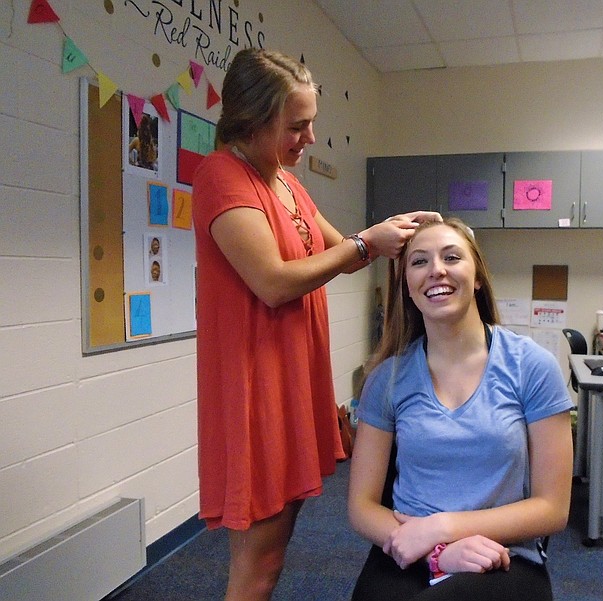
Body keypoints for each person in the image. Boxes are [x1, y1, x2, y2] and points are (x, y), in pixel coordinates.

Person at [191, 48, 440, 601]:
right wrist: (362, 242)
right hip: (257, 389)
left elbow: (347, 252)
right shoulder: (221, 177)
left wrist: (396, 235)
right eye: (296, 126)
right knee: (260, 561)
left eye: (312, 124)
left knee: (273, 552)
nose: (308, 138)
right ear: (252, 121)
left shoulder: (285, 182)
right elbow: (274, 282)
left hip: (293, 379)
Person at [348, 218, 574, 601]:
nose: (436, 269)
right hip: (408, 547)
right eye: (419, 262)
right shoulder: (387, 378)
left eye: (451, 257)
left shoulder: (531, 366)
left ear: (478, 277)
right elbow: (361, 506)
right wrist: (436, 552)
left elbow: (553, 509)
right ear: (407, 285)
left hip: (500, 553)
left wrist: (441, 528)